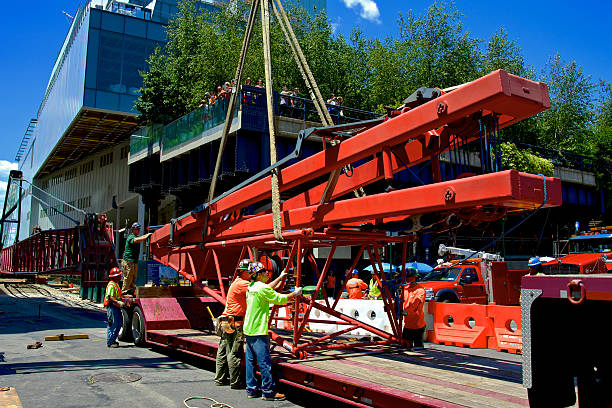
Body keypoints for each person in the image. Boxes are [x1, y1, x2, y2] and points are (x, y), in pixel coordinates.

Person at [243, 262, 302, 401]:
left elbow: (268, 288)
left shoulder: (251, 287)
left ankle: (251, 390)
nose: (266, 273)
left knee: (250, 362)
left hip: (249, 329)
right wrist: (295, 293)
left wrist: (280, 278)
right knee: (264, 363)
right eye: (263, 271)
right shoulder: (261, 288)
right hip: (259, 330)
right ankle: (268, 392)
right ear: (257, 275)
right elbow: (279, 299)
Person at [215, 259, 251, 388]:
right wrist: (280, 278)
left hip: (226, 321)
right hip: (234, 322)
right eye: (250, 271)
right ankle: (235, 382)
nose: (252, 273)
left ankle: (219, 379)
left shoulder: (236, 282)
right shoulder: (243, 284)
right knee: (234, 352)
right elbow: (263, 290)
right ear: (243, 271)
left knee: (223, 350)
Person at [121, 222, 152, 294]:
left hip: (134, 261)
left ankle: (131, 289)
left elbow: (138, 239)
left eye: (138, 229)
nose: (138, 230)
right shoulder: (131, 237)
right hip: (128, 260)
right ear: (133, 230)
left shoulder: (136, 237)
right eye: (136, 229)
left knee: (133, 276)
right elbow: (136, 240)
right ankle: (124, 291)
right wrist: (146, 236)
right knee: (128, 276)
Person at [402, 267, 426, 350]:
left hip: (417, 325)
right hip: (407, 324)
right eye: (407, 277)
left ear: (415, 277)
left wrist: (405, 312)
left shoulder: (420, 290)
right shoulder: (404, 288)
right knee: (405, 347)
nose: (408, 279)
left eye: (410, 277)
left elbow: (415, 305)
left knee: (418, 348)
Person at [104, 267, 125, 348]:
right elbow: (110, 297)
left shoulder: (116, 284)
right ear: (114, 277)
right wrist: (118, 302)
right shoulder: (111, 285)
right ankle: (110, 342)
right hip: (112, 306)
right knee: (113, 324)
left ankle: (113, 340)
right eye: (119, 275)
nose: (120, 277)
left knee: (118, 323)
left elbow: (116, 295)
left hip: (115, 306)